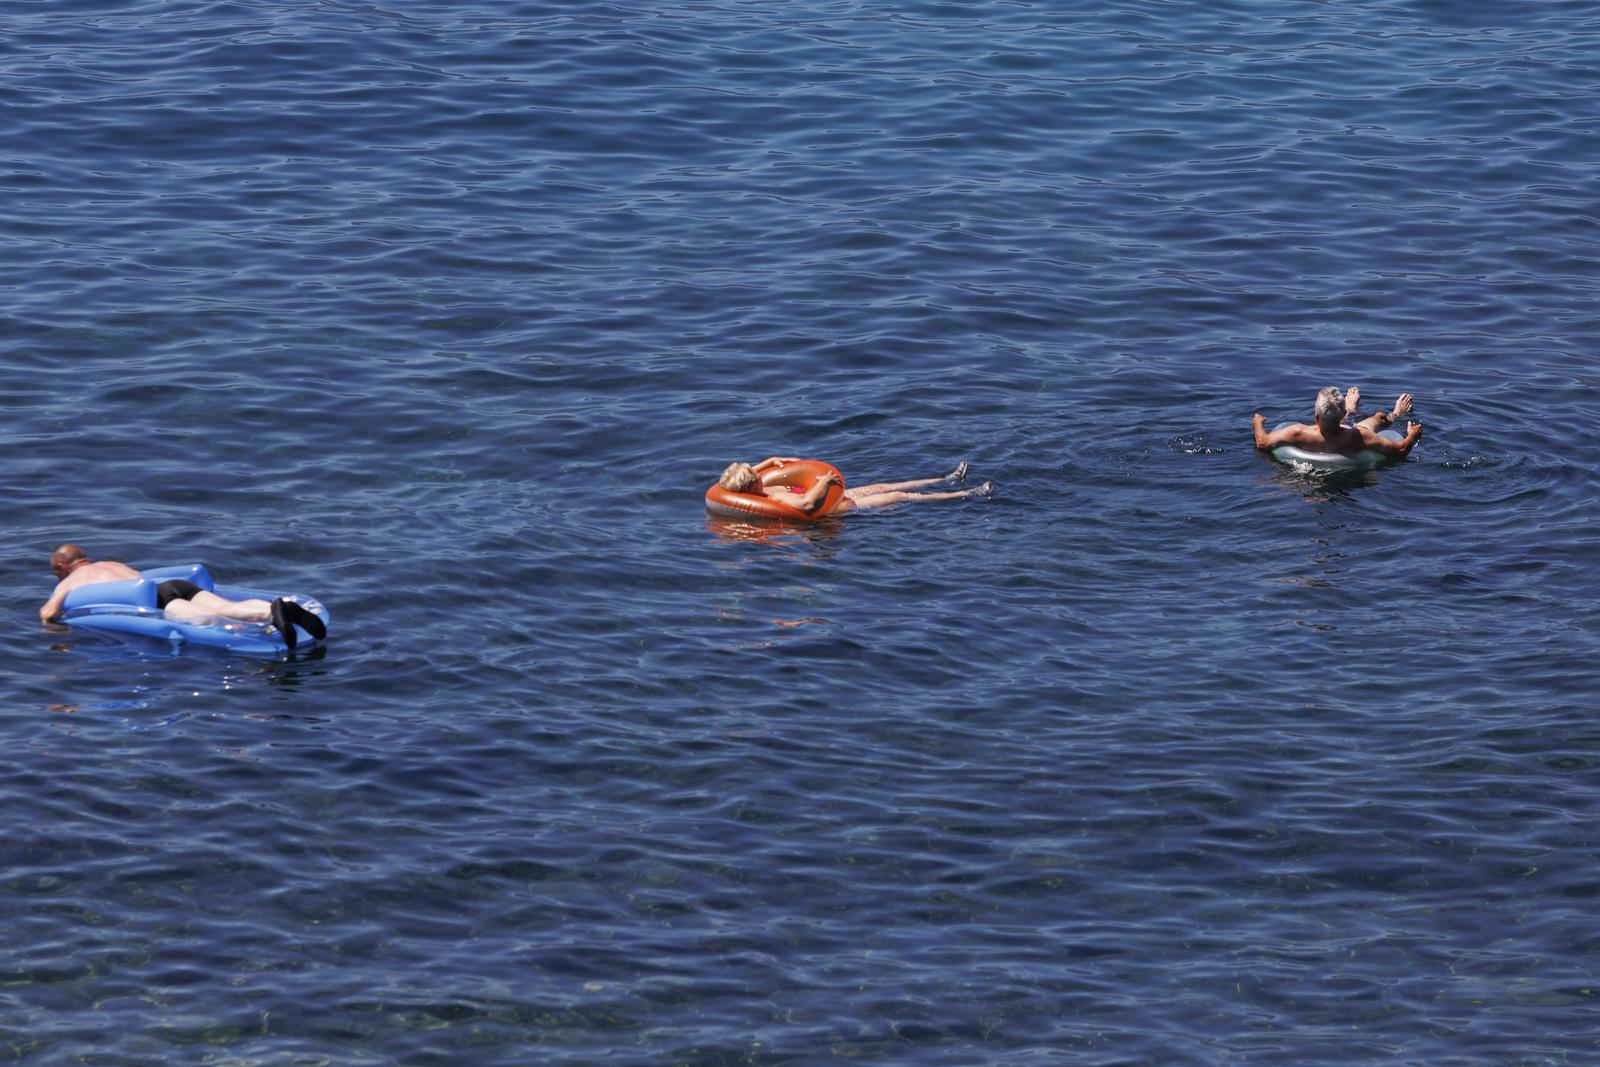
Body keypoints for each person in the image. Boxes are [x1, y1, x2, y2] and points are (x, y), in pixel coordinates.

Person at [40, 543, 326, 650]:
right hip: (174, 584)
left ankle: (266, 616)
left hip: (157, 599)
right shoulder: (114, 564)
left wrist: (53, 631)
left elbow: (48, 613)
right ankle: (275, 608)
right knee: (228, 606)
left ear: (64, 567)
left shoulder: (72, 579)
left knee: (206, 619)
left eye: (57, 574)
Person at [718, 457, 992, 514]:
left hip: (839, 495)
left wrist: (769, 461)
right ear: (750, 489)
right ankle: (968, 493)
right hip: (844, 507)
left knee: (882, 484)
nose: (758, 475)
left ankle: (946, 479)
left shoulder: (758, 485)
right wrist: (824, 481)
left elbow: (743, 475)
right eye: (754, 477)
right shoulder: (773, 501)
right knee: (900, 496)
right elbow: (806, 503)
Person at [1253, 387, 1422, 460]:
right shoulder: (1360, 437)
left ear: (1316, 417)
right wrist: (1412, 435)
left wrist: (1258, 423)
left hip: (1327, 433)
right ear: (1342, 417)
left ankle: (1351, 408)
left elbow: (1262, 442)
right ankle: (1396, 413)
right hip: (1347, 437)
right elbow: (1400, 451)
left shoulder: (1298, 433)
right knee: (1378, 418)